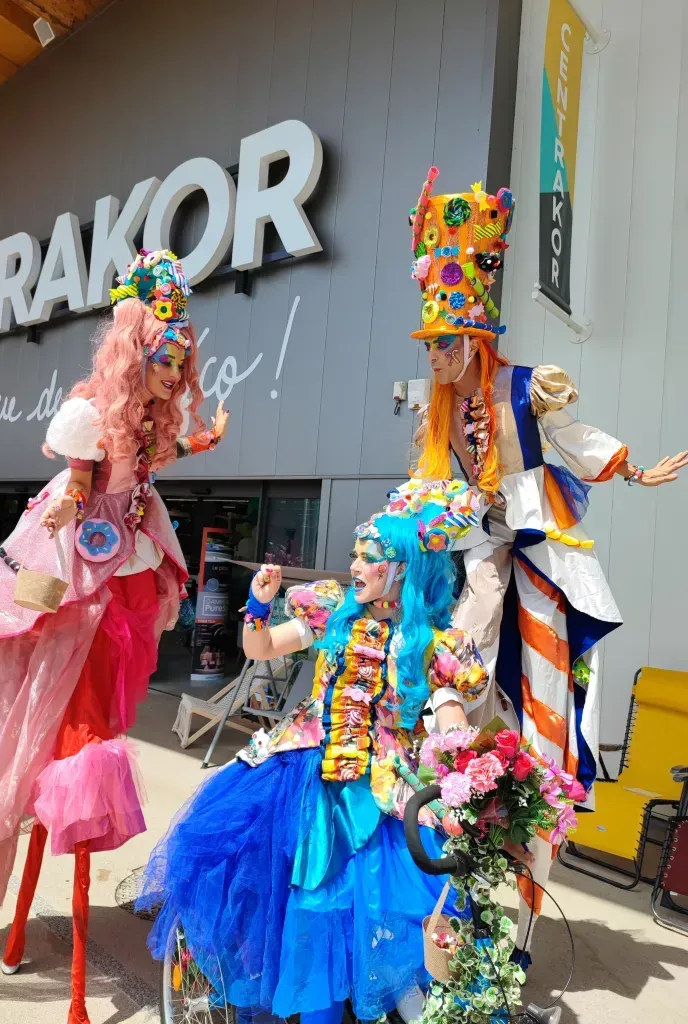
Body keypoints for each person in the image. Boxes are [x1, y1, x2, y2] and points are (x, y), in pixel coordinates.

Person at [0, 249, 229, 1024]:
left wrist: (204, 444)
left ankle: (32, 913)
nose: (175, 373)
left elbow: (152, 463)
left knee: (95, 702)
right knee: (62, 706)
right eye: (164, 358)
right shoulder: (93, 415)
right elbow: (81, 485)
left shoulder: (148, 425)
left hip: (120, 579)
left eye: (182, 361)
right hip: (80, 578)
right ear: (134, 350)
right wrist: (65, 507)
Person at [407, 167, 688, 961]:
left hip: (539, 564)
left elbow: (575, 440)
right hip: (480, 559)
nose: (436, 358)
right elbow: (433, 500)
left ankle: (521, 920)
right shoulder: (439, 420)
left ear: (476, 339)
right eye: (430, 346)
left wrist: (633, 470)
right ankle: (448, 874)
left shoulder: (527, 388)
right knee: (453, 677)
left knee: (544, 723)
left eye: (446, 343)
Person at [135, 478, 507, 1024]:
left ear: (402, 568)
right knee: (297, 905)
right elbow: (260, 647)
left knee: (388, 920)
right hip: (300, 777)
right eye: (355, 554)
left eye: (369, 557)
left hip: (382, 789)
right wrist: (258, 604)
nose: (355, 565)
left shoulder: (432, 644)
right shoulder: (333, 612)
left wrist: (471, 773)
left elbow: (452, 721)